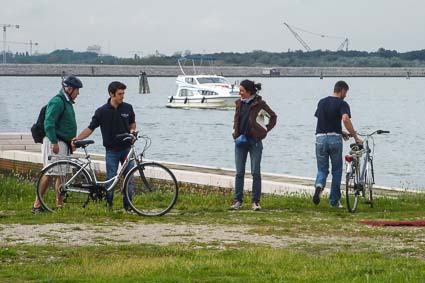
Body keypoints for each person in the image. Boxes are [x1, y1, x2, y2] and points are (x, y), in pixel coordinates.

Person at [74, 81, 136, 212]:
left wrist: (132, 131)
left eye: (123, 93)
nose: (122, 96)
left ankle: (128, 207)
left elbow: (132, 124)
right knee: (110, 179)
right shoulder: (101, 111)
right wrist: (78, 138)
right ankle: (108, 206)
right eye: (120, 94)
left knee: (129, 179)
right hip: (111, 150)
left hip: (127, 149)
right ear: (111, 94)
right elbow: (91, 128)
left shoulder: (128, 108)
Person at [32, 76, 83, 213]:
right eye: (77, 90)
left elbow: (66, 124)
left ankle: (59, 204)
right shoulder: (57, 101)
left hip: (63, 143)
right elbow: (49, 123)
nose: (78, 93)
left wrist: (71, 141)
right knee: (49, 172)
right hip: (55, 142)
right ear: (70, 89)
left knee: (62, 174)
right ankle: (37, 204)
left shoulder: (67, 103)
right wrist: (54, 142)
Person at [313, 80, 362, 208]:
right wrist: (356, 137)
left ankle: (319, 186)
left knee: (322, 169)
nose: (346, 95)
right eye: (346, 92)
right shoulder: (342, 103)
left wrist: (340, 131)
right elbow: (345, 119)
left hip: (320, 138)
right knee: (337, 170)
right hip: (334, 140)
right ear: (342, 90)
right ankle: (334, 201)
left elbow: (324, 121)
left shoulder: (322, 102)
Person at [231, 80, 277, 211]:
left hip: (255, 142)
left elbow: (273, 117)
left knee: (255, 172)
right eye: (239, 90)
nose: (240, 93)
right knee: (239, 172)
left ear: (249, 91)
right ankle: (237, 201)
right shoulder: (238, 103)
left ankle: (255, 202)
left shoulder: (260, 104)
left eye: (242, 91)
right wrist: (235, 133)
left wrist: (265, 130)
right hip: (240, 141)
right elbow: (236, 119)